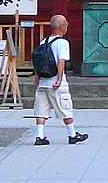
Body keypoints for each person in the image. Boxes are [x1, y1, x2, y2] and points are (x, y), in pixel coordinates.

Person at [33, 14, 87, 146]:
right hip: (55, 82)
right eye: (66, 24)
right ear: (62, 27)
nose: (67, 26)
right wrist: (59, 79)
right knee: (65, 107)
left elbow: (38, 62)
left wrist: (37, 77)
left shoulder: (43, 41)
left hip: (43, 82)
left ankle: (40, 136)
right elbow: (61, 62)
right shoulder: (63, 43)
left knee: (41, 109)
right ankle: (72, 134)